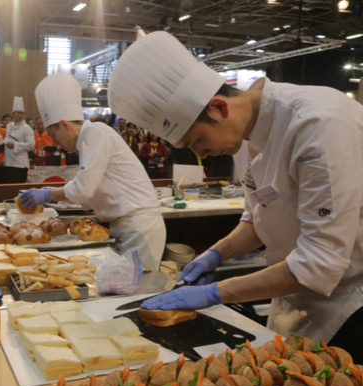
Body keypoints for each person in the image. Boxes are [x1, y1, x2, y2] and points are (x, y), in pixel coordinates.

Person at [109, 30, 363, 359]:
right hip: (291, 295)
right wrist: (216, 252)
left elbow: (320, 263)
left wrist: (217, 293)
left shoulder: (316, 124)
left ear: (218, 108)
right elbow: (258, 218)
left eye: (196, 142)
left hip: (351, 303)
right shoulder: (243, 134)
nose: (201, 155)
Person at [21, 73, 167, 272]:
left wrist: (49, 194)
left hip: (140, 227)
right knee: (124, 287)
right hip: (127, 225)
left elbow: (83, 189)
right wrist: (57, 194)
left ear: (65, 125)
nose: (56, 144)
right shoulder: (86, 142)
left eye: (54, 136)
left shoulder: (95, 133)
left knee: (135, 292)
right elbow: (88, 195)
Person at [0, 97, 35, 184]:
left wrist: (15, 145)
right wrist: (4, 160)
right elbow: (6, 144)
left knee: (17, 190)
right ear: (13, 114)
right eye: (18, 113)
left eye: (22, 113)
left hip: (20, 165)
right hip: (8, 164)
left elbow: (31, 145)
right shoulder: (9, 126)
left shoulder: (27, 128)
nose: (20, 115)